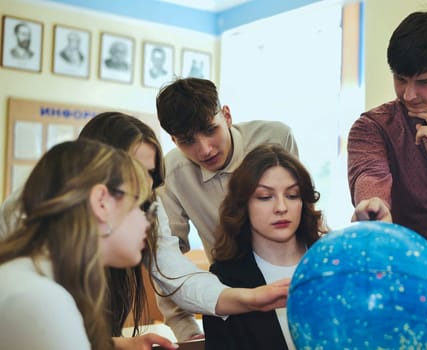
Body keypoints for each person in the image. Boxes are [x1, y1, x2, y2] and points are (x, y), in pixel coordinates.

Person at [0, 112, 291, 342]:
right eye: (133, 176)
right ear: (100, 193)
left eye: (149, 176)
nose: (146, 196)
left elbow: (172, 271)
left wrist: (249, 298)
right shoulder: (41, 295)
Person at [0, 139, 176, 350]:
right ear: (101, 202)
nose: (147, 221)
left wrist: (117, 345)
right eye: (141, 205)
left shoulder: (33, 277)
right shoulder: (40, 299)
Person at [154, 77, 298, 335]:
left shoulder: (276, 138)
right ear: (174, 140)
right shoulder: (172, 174)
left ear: (227, 115)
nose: (205, 149)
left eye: (210, 130)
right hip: (232, 298)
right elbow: (166, 259)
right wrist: (184, 327)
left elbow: (304, 211)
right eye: (188, 141)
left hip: (294, 285)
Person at [347, 11, 427, 268]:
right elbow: (370, 175)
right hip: (406, 282)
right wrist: (374, 205)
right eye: (400, 79)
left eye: (424, 82)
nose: (408, 94)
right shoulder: (373, 127)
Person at [203, 144, 325, 349]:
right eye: (265, 197)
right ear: (243, 204)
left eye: (292, 195)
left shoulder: (331, 262)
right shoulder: (224, 280)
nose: (281, 208)